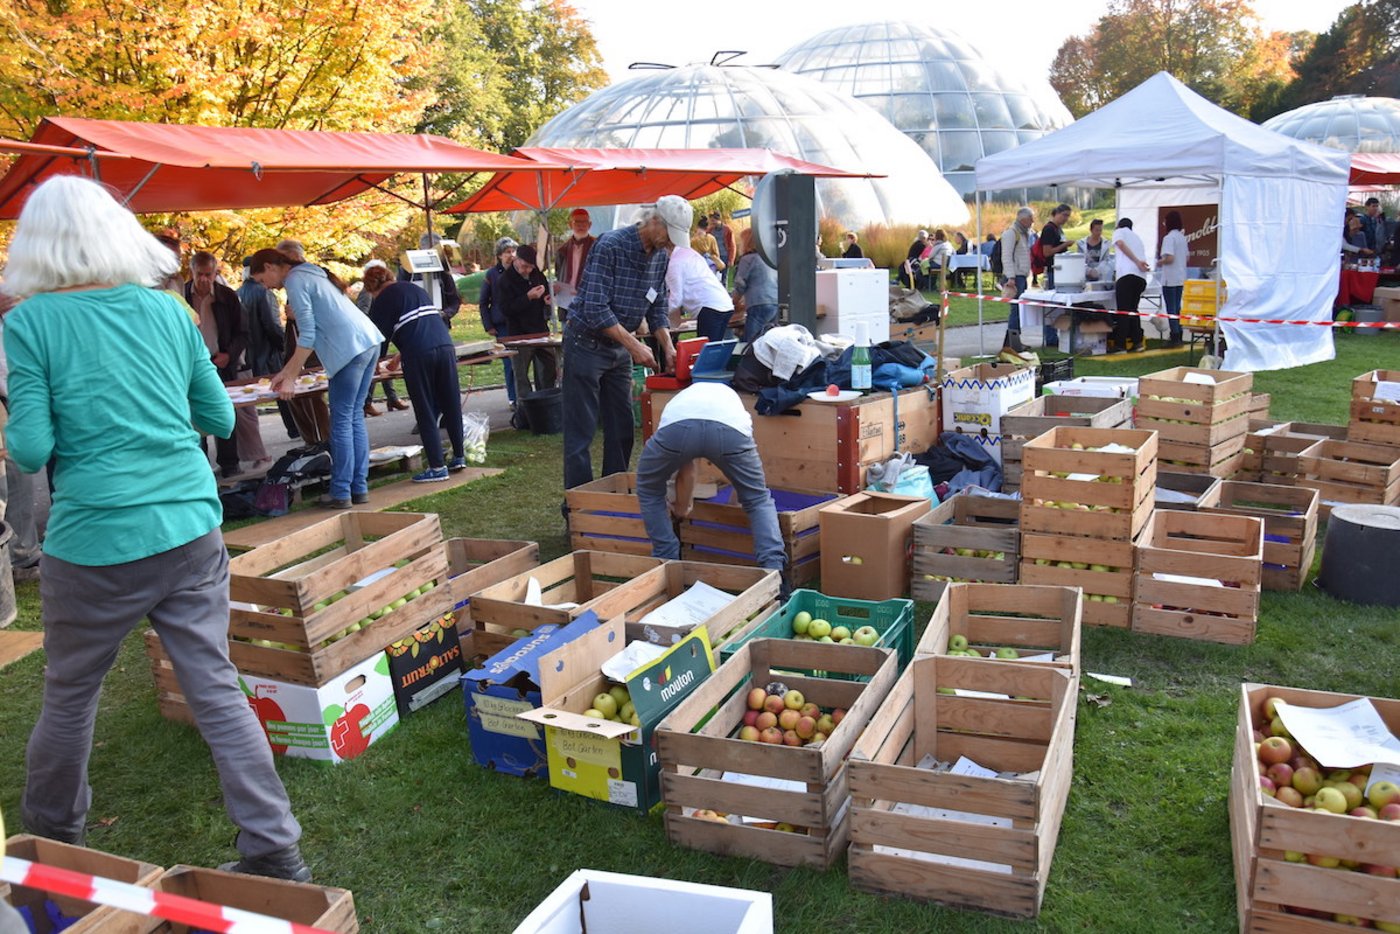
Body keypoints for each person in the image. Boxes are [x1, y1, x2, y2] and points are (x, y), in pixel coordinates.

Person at [4, 175, 307, 881]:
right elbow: (221, 419)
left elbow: (28, 450)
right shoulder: (169, 311)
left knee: (71, 694)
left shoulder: (29, 322)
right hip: (188, 529)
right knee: (215, 686)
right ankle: (274, 851)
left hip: (94, 543)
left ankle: (51, 843)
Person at [562, 197, 681, 493]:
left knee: (622, 430)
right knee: (581, 433)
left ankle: (613, 497)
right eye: (670, 236)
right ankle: (578, 508)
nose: (671, 245)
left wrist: (666, 344)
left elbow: (657, 307)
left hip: (617, 349)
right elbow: (596, 309)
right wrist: (635, 347)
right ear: (654, 221)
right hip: (585, 343)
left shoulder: (661, 256)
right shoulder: (610, 246)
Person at [250, 248, 384, 508]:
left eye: (261, 280)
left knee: (342, 421)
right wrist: (287, 372)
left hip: (349, 349)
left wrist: (291, 377)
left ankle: (341, 492)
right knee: (353, 416)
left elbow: (307, 333)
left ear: (269, 267)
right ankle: (358, 487)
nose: (265, 287)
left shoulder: (295, 280)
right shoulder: (311, 273)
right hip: (368, 341)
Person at [636, 381, 785, 590]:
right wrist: (739, 497)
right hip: (730, 430)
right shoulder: (733, 401)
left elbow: (687, 468)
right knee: (758, 499)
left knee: (649, 489)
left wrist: (681, 507)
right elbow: (740, 472)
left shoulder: (680, 401)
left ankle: (666, 562)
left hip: (678, 429)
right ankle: (774, 571)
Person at [366, 278, 467, 482]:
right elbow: (419, 325)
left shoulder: (383, 299)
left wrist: (376, 364)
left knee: (425, 408)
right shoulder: (413, 289)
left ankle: (437, 467)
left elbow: (377, 338)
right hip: (445, 346)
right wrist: (397, 358)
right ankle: (458, 456)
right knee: (451, 403)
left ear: (373, 289)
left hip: (418, 354)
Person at [186, 252, 263, 476]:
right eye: (199, 274)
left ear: (215, 273)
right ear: (191, 272)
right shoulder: (182, 296)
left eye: (208, 274)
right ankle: (200, 464)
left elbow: (243, 332)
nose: (203, 279)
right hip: (192, 364)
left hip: (221, 361)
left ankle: (229, 463)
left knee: (223, 410)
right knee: (194, 413)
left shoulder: (226, 296)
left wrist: (229, 354)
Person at [238, 256, 299, 441]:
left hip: (248, 353)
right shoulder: (264, 292)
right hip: (269, 352)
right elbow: (272, 325)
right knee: (284, 391)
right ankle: (295, 428)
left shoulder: (238, 292)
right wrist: (284, 345)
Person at [496, 244, 559, 410]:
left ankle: (547, 403)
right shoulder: (505, 280)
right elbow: (506, 309)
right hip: (518, 333)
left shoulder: (536, 274)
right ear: (516, 260)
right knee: (521, 374)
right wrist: (528, 297)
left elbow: (545, 293)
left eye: (531, 267)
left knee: (548, 368)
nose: (527, 271)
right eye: (524, 266)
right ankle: (525, 410)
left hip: (540, 329)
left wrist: (546, 301)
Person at [356, 261, 409, 416]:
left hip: (383, 331)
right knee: (375, 366)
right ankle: (367, 402)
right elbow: (362, 313)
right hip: (373, 333)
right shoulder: (368, 293)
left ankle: (391, 398)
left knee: (382, 365)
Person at [666, 236, 735, 342]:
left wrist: (659, 315)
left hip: (709, 307)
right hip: (723, 303)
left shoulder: (674, 263)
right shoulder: (690, 253)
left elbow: (676, 300)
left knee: (707, 353)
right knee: (714, 350)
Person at [479, 237, 518, 407]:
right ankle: (513, 398)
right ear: (500, 255)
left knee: (521, 362)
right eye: (507, 252)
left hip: (519, 322)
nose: (511, 255)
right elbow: (483, 302)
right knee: (508, 363)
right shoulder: (492, 274)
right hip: (501, 324)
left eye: (513, 251)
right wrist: (488, 325)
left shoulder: (519, 270)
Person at [397, 233, 462, 322]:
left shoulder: (443, 272)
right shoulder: (406, 270)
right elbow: (400, 297)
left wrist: (445, 314)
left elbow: (454, 300)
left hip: (440, 322)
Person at [1111, 218, 1151, 353]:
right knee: (1133, 310)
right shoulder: (1137, 238)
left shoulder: (1119, 232)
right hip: (1140, 278)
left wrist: (1136, 261)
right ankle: (1137, 341)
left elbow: (1120, 244)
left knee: (1123, 311)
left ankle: (1120, 344)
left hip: (1127, 275)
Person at [732, 228, 779, 343]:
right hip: (774, 301)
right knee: (768, 340)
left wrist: (733, 302)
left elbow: (740, 284)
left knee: (751, 342)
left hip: (758, 302)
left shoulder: (748, 259)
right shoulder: (769, 258)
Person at [1038, 204, 1075, 347]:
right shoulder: (1048, 229)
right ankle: (1050, 337)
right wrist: (1064, 245)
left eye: (1068, 216)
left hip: (1062, 270)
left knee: (1058, 305)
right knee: (1052, 304)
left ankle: (1056, 335)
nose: (1066, 219)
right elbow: (1047, 252)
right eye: (1064, 215)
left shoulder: (1058, 229)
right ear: (1057, 213)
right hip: (1053, 270)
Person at [999, 208, 1035, 351]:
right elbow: (1006, 256)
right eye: (1031, 218)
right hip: (1014, 277)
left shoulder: (1023, 234)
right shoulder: (1011, 233)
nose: (1033, 221)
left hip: (1021, 275)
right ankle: (1012, 343)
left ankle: (1015, 341)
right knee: (1016, 310)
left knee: (1019, 310)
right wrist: (1011, 277)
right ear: (1023, 219)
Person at [555, 208, 596, 321]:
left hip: (589, 300)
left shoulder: (597, 247)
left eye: (584, 222)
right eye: (577, 222)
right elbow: (559, 274)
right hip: (566, 301)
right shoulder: (562, 250)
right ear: (570, 225)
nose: (581, 225)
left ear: (590, 224)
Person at [1157, 210, 1188, 347]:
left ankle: (1175, 336)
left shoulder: (1169, 238)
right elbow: (1187, 257)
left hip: (1170, 278)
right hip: (1180, 276)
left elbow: (1169, 257)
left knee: (1171, 308)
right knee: (1177, 308)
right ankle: (1179, 333)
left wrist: (1160, 262)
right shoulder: (1182, 237)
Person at [709, 211, 735, 285]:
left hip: (724, 256)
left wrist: (731, 259)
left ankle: (725, 293)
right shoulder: (710, 230)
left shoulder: (727, 230)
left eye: (713, 221)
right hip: (714, 256)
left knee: (724, 278)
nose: (712, 223)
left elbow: (732, 245)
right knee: (714, 277)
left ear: (718, 220)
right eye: (711, 221)